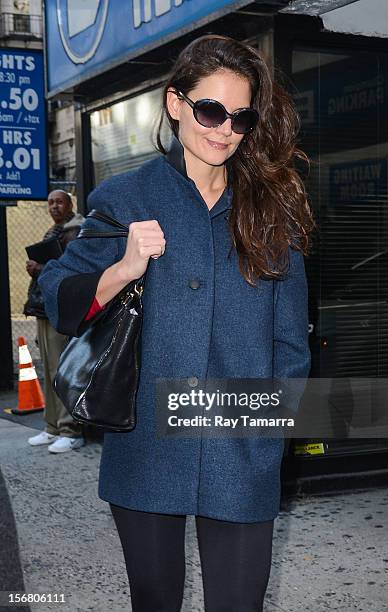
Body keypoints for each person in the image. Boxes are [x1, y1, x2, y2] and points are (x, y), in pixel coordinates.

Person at [39, 35, 314, 611]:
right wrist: (123, 266)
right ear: (175, 104)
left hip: (241, 444)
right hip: (145, 445)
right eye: (210, 110)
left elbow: (291, 343)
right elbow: (58, 297)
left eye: (240, 117)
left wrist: (269, 439)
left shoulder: (269, 209)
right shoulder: (125, 196)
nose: (224, 130)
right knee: (155, 601)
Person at [24, 190, 86, 453]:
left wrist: (40, 270)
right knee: (49, 369)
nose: (54, 206)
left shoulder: (75, 231)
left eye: (59, 201)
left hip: (63, 308)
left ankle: (71, 430)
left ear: (70, 204)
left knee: (63, 371)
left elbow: (71, 270)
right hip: (45, 308)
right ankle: (52, 427)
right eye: (50, 202)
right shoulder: (55, 231)